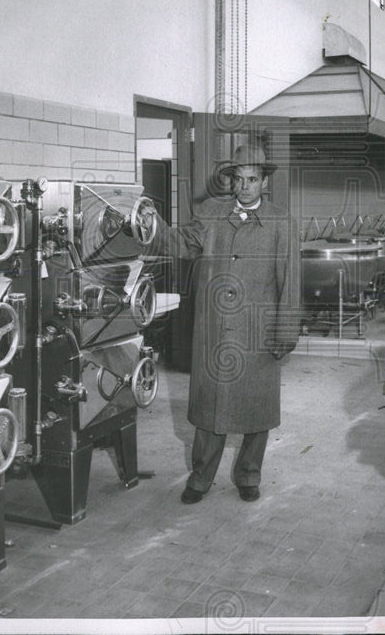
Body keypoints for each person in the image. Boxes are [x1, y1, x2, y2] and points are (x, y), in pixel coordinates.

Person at [149, 141, 300, 503]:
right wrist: (146, 226)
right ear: (231, 182)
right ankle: (200, 478)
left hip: (257, 333)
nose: (245, 186)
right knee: (210, 411)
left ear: (264, 182)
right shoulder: (212, 214)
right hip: (215, 331)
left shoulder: (281, 222)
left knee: (257, 409)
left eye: (252, 178)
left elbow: (290, 280)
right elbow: (180, 243)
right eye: (239, 178)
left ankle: (249, 475)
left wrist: (285, 331)